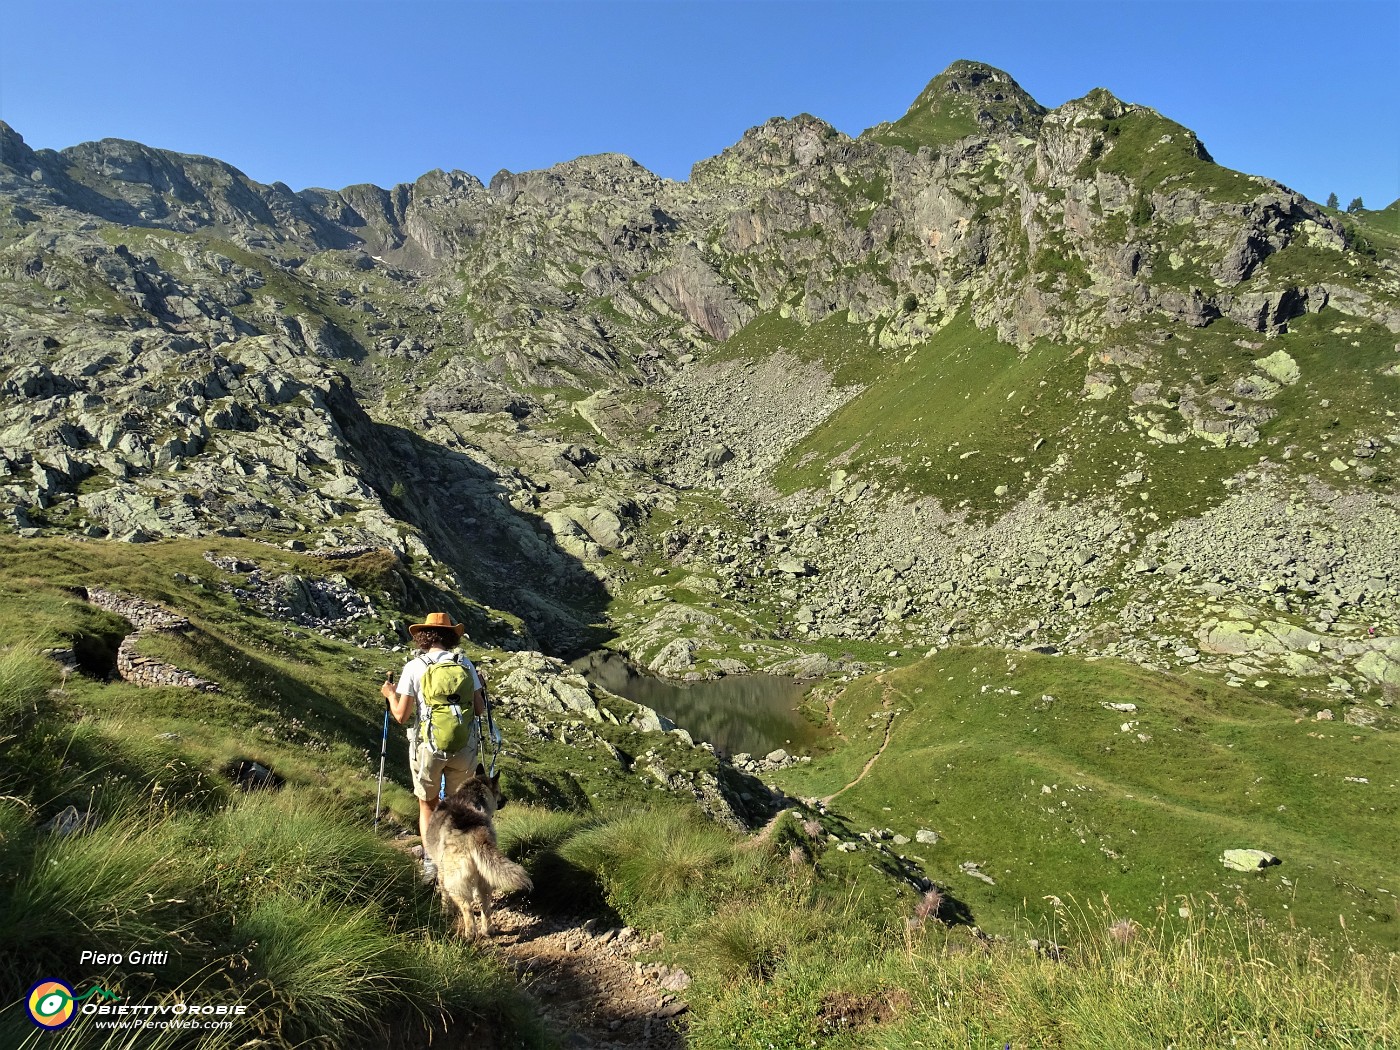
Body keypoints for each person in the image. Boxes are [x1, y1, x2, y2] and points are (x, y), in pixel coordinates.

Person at [380, 611, 485, 883]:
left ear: (424, 636)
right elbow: (478, 709)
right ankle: (459, 862)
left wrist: (391, 695)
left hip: (428, 746)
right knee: (457, 804)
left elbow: (402, 716)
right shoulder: (465, 663)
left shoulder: (415, 667)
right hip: (463, 748)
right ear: (451, 636)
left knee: (427, 805)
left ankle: (430, 865)